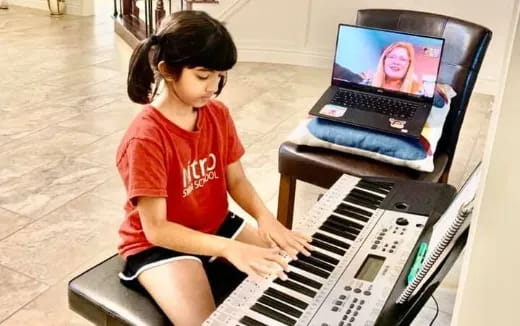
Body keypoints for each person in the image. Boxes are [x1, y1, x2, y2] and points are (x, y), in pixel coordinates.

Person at [115, 10, 313, 326]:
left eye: (220, 76)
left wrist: (266, 219)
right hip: (157, 245)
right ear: (167, 70)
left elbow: (235, 179)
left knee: (292, 273)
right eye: (203, 76)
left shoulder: (216, 113)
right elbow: (157, 229)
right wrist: (230, 249)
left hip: (214, 225)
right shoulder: (146, 137)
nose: (213, 86)